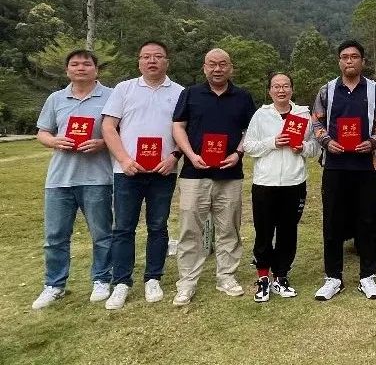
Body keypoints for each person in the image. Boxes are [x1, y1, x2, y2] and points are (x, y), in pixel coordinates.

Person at [101, 40, 184, 310]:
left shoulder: (180, 92)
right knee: (123, 227)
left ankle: (153, 278)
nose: (152, 61)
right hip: (128, 171)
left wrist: (174, 157)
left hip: (163, 171)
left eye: (158, 56)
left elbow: (186, 131)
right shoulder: (124, 89)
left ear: (167, 61)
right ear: (139, 62)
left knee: (158, 226)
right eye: (146, 56)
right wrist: (124, 159)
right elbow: (109, 127)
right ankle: (121, 282)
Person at [171, 48, 256, 306]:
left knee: (229, 227)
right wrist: (190, 154)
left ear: (231, 67)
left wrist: (238, 153)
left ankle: (226, 276)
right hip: (193, 173)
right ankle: (187, 281)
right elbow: (178, 126)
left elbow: (250, 130)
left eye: (222, 64)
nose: (217, 69)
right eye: (212, 64)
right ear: (204, 67)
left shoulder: (243, 97)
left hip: (230, 174)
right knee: (190, 229)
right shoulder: (190, 94)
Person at [31, 50, 114, 309]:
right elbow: (42, 132)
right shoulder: (56, 98)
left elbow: (120, 131)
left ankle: (102, 278)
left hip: (97, 177)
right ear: (67, 70)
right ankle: (54, 284)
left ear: (96, 69)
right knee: (55, 236)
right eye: (75, 64)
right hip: (59, 179)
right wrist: (54, 141)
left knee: (102, 234)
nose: (80, 68)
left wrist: (102, 143)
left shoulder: (111, 96)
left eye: (86, 64)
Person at [311, 40, 376, 300]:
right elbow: (317, 121)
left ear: (362, 61)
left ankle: (368, 276)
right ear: (339, 61)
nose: (349, 61)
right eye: (344, 57)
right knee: (332, 222)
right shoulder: (327, 90)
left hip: (366, 166)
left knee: (368, 221)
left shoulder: (375, 90)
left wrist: (374, 141)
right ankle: (333, 277)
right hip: (335, 166)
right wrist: (326, 141)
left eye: (354, 56)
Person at [243, 72, 320, 302]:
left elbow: (315, 147)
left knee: (288, 232)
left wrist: (302, 148)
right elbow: (248, 146)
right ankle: (263, 278)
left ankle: (281, 276)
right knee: (264, 231)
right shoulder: (261, 114)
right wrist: (272, 143)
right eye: (276, 86)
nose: (281, 90)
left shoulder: (303, 114)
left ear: (292, 89)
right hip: (265, 183)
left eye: (285, 86)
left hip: (293, 182)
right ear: (270, 91)